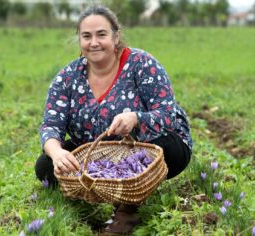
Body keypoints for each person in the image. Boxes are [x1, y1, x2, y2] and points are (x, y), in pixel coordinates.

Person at [35, 4, 192, 235]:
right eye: (86, 36)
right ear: (79, 39)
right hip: (98, 153)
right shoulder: (67, 78)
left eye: (101, 34)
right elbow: (50, 125)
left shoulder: (141, 64)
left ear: (116, 37)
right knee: (46, 165)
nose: (94, 42)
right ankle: (98, 193)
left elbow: (167, 116)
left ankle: (127, 212)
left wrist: (135, 118)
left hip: (148, 144)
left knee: (161, 147)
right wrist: (57, 152)